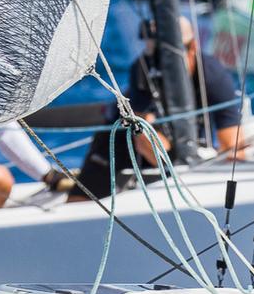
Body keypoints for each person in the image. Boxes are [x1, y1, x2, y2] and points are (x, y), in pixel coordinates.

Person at [67, 16, 244, 202]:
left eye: (165, 54)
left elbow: (234, 144)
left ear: (192, 47)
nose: (157, 61)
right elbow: (142, 136)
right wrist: (178, 172)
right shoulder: (144, 67)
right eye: (152, 51)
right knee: (78, 202)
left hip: (184, 146)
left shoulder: (212, 75)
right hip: (123, 139)